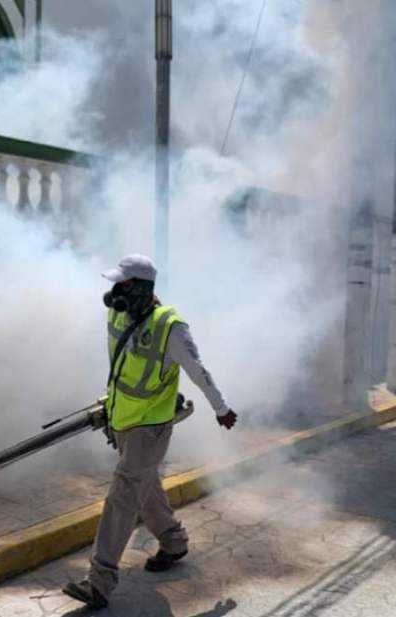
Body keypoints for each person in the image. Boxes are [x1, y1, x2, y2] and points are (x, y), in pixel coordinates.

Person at [63, 254, 238, 609]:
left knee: (123, 493)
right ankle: (174, 542)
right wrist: (110, 410)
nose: (114, 291)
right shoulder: (116, 312)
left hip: (151, 427)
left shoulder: (170, 327)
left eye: (123, 284)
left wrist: (221, 408)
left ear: (142, 288)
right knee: (145, 484)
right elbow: (122, 365)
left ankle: (99, 582)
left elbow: (197, 371)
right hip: (122, 419)